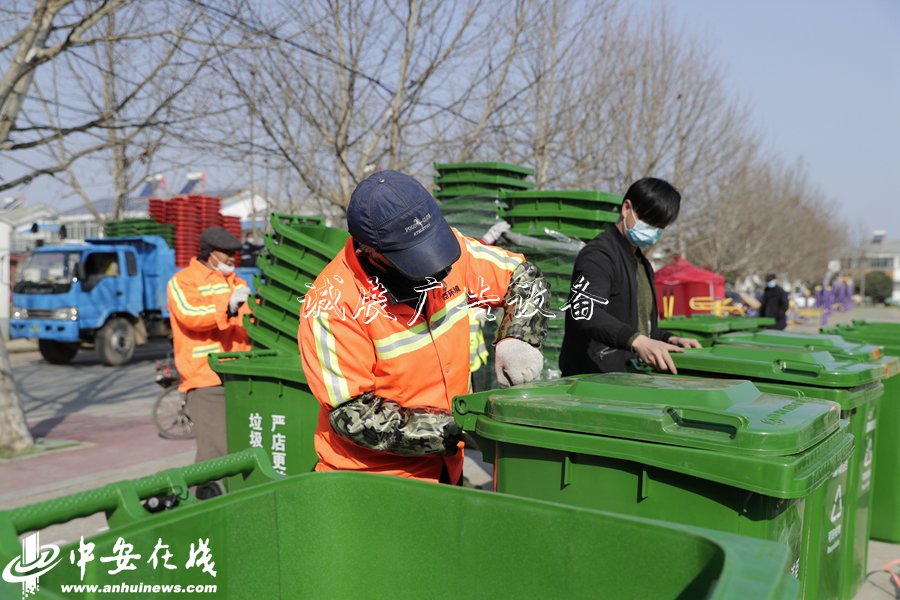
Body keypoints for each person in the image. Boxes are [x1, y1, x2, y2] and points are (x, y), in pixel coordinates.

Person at [298, 171, 549, 484]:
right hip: (374, 482)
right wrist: (455, 428)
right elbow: (353, 416)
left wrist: (519, 336)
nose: (437, 271)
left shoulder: (450, 250)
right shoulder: (333, 304)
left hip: (447, 467)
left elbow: (524, 277)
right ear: (370, 252)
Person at [559, 177, 700, 376]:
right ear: (627, 208)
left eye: (659, 226)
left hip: (626, 377)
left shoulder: (641, 263)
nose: (652, 231)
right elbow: (585, 311)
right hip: (593, 378)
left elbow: (638, 324)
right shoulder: (599, 256)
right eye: (649, 222)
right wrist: (637, 341)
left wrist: (669, 339)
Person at [166, 226, 252, 498]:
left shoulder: (237, 283)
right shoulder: (183, 282)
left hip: (239, 374)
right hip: (206, 378)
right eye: (226, 255)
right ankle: (200, 507)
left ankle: (217, 504)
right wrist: (227, 307)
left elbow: (250, 322)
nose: (231, 260)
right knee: (215, 451)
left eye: (234, 255)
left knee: (235, 448)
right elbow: (190, 314)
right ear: (209, 254)